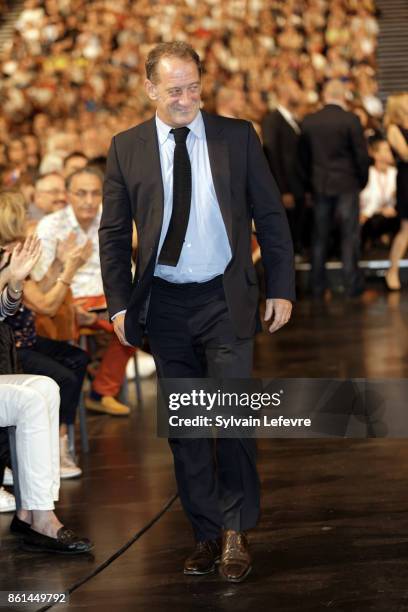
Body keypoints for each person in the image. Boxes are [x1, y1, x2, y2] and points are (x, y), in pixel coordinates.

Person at [99, 41, 295, 583]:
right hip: (163, 303)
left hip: (224, 297)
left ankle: (236, 532)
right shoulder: (126, 147)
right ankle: (205, 534)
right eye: (174, 89)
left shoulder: (238, 136)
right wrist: (119, 304)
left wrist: (281, 286)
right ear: (150, 89)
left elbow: (270, 217)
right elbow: (113, 235)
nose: (185, 98)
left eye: (193, 87)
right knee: (187, 428)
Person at [32, 167, 136, 416]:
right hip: (69, 299)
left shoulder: (110, 219)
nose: (89, 201)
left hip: (108, 297)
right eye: (81, 193)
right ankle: (89, 384)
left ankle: (101, 391)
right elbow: (40, 281)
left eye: (95, 193)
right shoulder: (50, 225)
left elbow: (127, 269)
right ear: (67, 195)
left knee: (136, 321)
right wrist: (69, 304)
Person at [299, 79, 370, 297]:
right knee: (349, 236)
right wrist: (362, 181)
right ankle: (352, 284)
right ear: (343, 96)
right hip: (347, 184)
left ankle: (317, 286)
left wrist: (309, 185)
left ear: (325, 96)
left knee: (319, 237)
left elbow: (303, 159)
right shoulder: (351, 120)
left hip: (320, 185)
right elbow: (361, 155)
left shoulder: (309, 121)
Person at [261, 79, 305, 254]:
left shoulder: (293, 119)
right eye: (296, 88)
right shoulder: (272, 120)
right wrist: (283, 189)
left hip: (297, 186)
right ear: (285, 93)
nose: (300, 93)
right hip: (285, 187)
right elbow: (271, 154)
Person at [384, 93, 408, 290]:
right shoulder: (393, 128)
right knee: (406, 229)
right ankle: (392, 270)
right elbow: (406, 154)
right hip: (406, 181)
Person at [360, 139, 398, 251]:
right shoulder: (367, 174)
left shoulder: (395, 173)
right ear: (375, 154)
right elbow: (366, 199)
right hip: (368, 218)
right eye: (386, 150)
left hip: (390, 216)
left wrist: (390, 208)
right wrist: (380, 210)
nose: (390, 153)